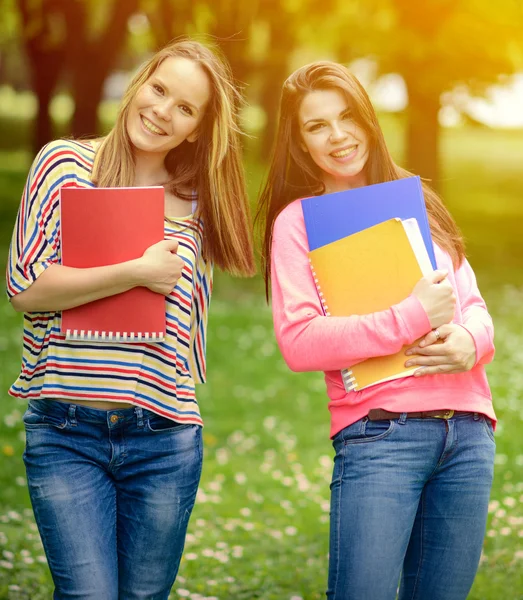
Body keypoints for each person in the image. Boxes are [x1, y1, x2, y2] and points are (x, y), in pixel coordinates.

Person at [7, 39, 255, 599]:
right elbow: (25, 289)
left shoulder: (196, 203)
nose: (163, 111)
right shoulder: (64, 164)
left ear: (196, 130)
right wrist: (136, 270)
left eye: (186, 109)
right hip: (67, 430)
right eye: (160, 89)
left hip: (162, 439)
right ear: (139, 83)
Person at [256, 61, 496, 600]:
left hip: (469, 435)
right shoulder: (300, 222)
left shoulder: (422, 204)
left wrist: (469, 341)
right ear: (299, 142)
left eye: (347, 117)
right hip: (381, 434)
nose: (338, 136)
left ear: (368, 118)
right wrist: (409, 317)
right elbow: (299, 341)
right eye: (317, 126)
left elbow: (476, 308)